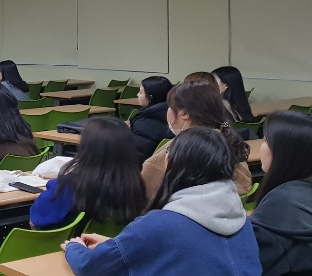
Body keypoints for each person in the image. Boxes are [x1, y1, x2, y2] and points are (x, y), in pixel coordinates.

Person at [62, 127, 261, 275]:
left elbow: (92, 267)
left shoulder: (161, 223)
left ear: (176, 162)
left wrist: (74, 247)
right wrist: (118, 246)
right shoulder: (241, 219)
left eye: (168, 152)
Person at [140, 81, 252, 201]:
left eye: (170, 107)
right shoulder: (229, 141)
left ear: (184, 113)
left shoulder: (174, 153)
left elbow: (144, 197)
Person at [30, 117, 146, 229]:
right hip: (112, 241)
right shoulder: (136, 187)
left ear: (86, 149)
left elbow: (36, 220)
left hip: (68, 242)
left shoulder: (66, 187)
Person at [250, 111, 312, 275]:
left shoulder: (280, 204)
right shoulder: (302, 191)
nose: (262, 146)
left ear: (284, 152)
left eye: (266, 140)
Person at [129, 76, 174, 158]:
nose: (137, 94)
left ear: (150, 97)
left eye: (140, 92)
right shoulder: (175, 117)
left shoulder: (142, 123)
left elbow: (132, 152)